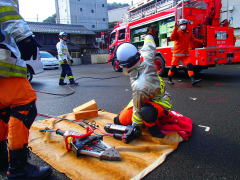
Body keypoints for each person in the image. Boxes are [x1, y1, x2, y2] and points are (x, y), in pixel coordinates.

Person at [0, 0, 52, 179]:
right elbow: (5, 9)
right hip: (3, 64)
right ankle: (18, 169)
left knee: (2, 109)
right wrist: (24, 36)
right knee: (25, 105)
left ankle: (1, 158)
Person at [113, 39, 173, 137]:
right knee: (120, 119)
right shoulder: (146, 58)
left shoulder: (139, 85)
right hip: (148, 97)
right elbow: (149, 45)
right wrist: (148, 36)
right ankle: (125, 118)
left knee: (145, 112)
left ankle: (153, 128)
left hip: (158, 103)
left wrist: (135, 127)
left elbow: (137, 108)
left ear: (123, 65)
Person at [167, 19, 203, 85]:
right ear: (180, 26)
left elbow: (193, 39)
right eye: (181, 25)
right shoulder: (177, 32)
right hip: (177, 53)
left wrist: (201, 41)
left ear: (186, 25)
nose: (183, 26)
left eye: (184, 24)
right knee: (173, 67)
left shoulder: (188, 33)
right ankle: (169, 79)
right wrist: (175, 28)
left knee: (190, 66)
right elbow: (172, 38)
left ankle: (193, 80)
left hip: (185, 54)